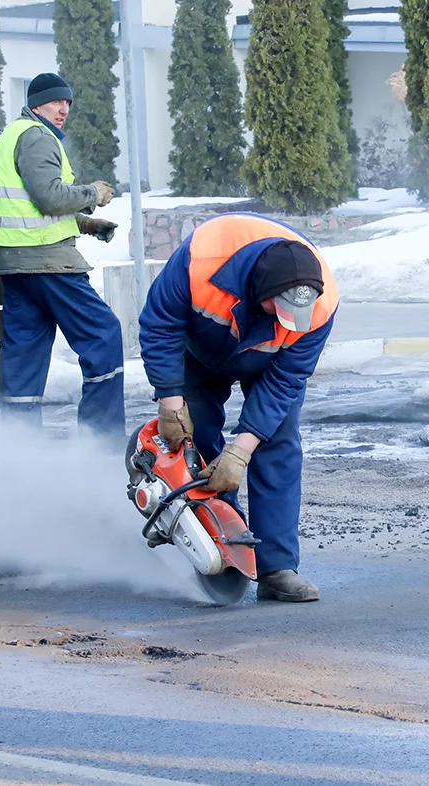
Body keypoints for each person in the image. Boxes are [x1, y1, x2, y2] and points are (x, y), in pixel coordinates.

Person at [138, 213, 339, 602]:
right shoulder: (202, 259)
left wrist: (241, 450)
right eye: (279, 308)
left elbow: (287, 380)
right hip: (198, 350)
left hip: (269, 363)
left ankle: (276, 568)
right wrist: (171, 401)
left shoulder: (321, 303)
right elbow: (160, 324)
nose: (289, 321)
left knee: (276, 441)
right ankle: (220, 546)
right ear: (260, 290)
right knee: (195, 441)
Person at [0, 73, 125, 439]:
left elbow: (28, 206)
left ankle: (20, 445)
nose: (63, 110)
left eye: (67, 103)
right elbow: (49, 197)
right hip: (47, 262)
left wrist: (86, 225)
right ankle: (100, 438)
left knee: (25, 359)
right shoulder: (36, 136)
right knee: (103, 334)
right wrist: (93, 193)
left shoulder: (11, 135)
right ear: (35, 104)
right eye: (55, 102)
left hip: (16, 266)